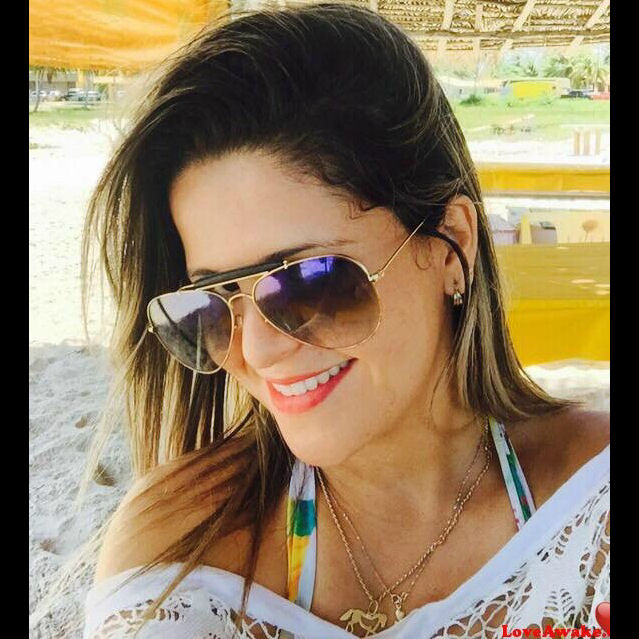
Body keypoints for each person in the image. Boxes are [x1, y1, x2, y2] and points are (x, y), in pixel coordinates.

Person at [81, 4, 610, 638]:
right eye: (214, 302)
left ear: (452, 246)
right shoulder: (182, 555)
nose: (257, 349)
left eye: (310, 281)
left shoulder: (591, 502)